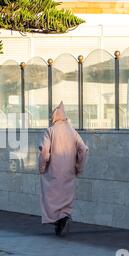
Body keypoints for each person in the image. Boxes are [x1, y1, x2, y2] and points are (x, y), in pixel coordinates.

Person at [38, 101, 89, 237]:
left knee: (52, 198)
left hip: (53, 172)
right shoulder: (73, 132)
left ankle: (57, 222)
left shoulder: (50, 131)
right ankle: (64, 218)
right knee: (65, 198)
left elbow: (44, 151)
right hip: (69, 173)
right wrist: (79, 167)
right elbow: (83, 149)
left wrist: (42, 168)